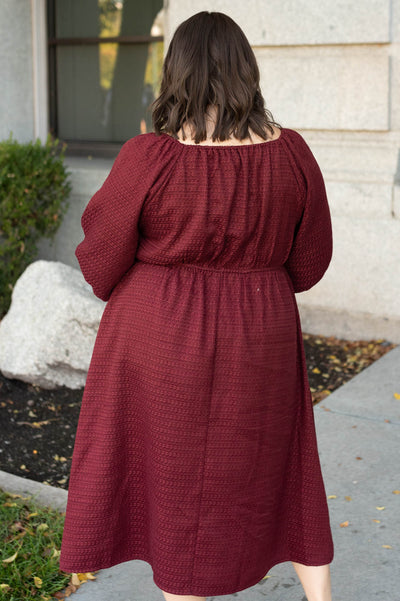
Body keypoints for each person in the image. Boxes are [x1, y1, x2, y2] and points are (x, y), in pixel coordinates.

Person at [59, 10, 334, 601]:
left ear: (176, 74)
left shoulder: (148, 157)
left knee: (179, 485)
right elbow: (309, 266)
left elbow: (99, 261)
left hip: (160, 336)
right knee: (283, 466)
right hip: (262, 331)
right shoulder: (292, 153)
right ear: (246, 72)